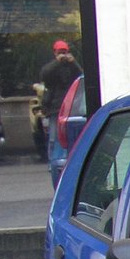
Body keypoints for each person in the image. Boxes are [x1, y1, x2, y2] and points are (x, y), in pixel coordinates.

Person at [39, 40, 82, 186]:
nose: (63, 55)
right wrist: (57, 62)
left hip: (71, 107)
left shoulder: (71, 67)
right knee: (53, 138)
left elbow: (80, 77)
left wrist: (73, 62)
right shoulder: (52, 67)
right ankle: (53, 163)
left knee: (70, 138)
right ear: (55, 53)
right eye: (60, 53)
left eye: (65, 52)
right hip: (55, 107)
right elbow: (44, 75)